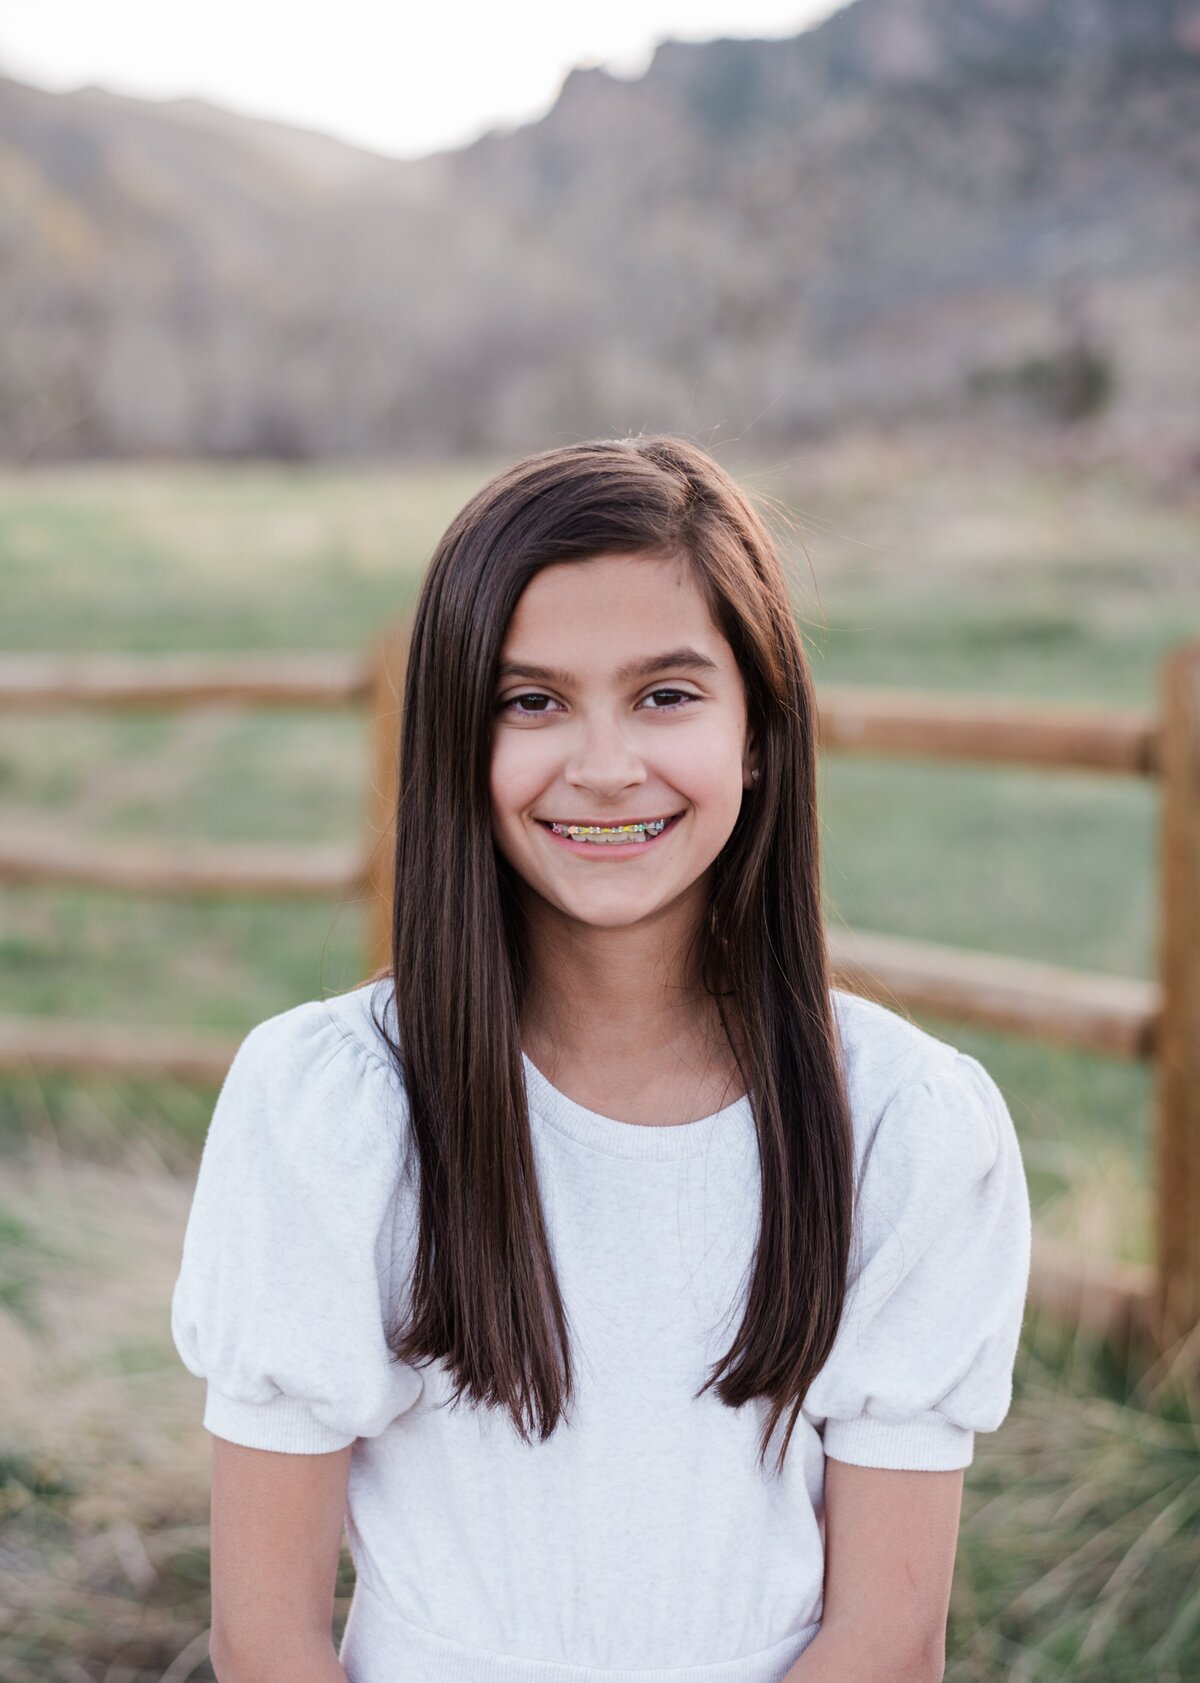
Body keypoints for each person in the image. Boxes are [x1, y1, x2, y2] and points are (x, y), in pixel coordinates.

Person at [170, 434, 1032, 1683]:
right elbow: (268, 1638)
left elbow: (887, 1643)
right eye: (533, 701)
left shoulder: (905, 1126)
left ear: (756, 732)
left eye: (667, 694)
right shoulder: (331, 1107)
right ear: (459, 742)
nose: (607, 764)